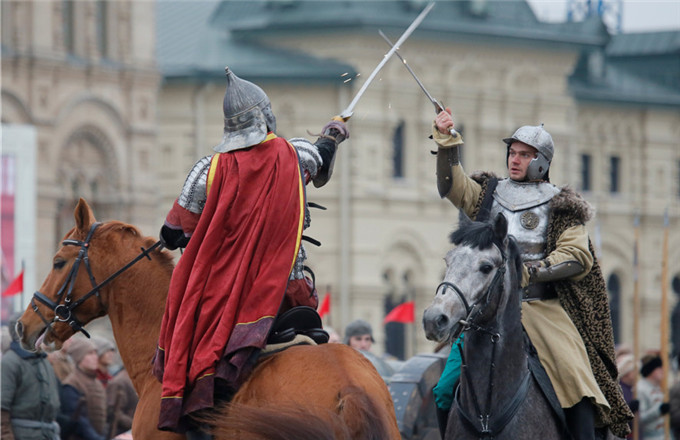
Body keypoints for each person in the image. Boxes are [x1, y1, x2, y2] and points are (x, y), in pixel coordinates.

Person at [152, 67, 348, 436]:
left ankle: (202, 421)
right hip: (290, 292)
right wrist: (332, 135)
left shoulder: (208, 171)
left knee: (198, 357)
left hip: (229, 299)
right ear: (266, 116)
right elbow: (322, 162)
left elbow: (173, 232)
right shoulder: (295, 154)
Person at [429, 108, 632, 439]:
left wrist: (528, 272)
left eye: (525, 154)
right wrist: (446, 141)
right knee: (443, 388)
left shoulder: (561, 204)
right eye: (513, 152)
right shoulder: (489, 193)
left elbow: (576, 256)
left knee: (578, 385)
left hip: (540, 309)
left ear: (541, 161)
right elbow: (451, 185)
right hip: (488, 309)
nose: (515, 159)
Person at [1, 314, 61, 440]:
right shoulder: (10, 362)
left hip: (46, 434)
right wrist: (6, 436)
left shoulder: (44, 361)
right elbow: (2, 407)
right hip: (22, 435)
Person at [59, 337, 107, 440]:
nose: (95, 357)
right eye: (90, 353)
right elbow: (78, 420)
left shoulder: (97, 383)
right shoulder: (71, 384)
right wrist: (96, 438)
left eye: (95, 353)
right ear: (79, 357)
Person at [637, 354, 669, 440]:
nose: (662, 370)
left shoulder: (658, 387)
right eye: (659, 368)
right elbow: (640, 418)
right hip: (648, 436)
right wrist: (659, 410)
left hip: (662, 435)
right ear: (651, 370)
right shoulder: (640, 389)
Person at [106, 367, 138, 438]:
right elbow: (115, 411)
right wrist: (134, 424)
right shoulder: (120, 381)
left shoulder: (130, 379)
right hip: (122, 432)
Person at [616, 353, 638, 439]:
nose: (637, 374)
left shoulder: (632, 390)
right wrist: (630, 409)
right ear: (627, 373)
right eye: (634, 371)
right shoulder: (620, 390)